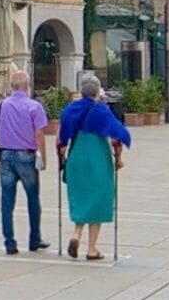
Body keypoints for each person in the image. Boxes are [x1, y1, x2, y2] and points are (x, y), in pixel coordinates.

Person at [55, 71, 129, 261]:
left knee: (81, 197)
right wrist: (118, 158)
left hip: (77, 157)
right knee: (98, 198)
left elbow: (61, 140)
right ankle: (92, 249)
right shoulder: (101, 110)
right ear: (97, 93)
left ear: (82, 92)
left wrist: (62, 158)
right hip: (97, 158)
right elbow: (117, 137)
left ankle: (76, 235)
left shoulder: (70, 110)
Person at [0, 68, 49, 255]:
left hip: (5, 156)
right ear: (27, 86)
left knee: (6, 202)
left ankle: (10, 243)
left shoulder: (1, 105)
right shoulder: (34, 106)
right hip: (26, 156)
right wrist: (43, 157)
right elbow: (39, 133)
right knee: (33, 199)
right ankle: (34, 239)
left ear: (12, 87)